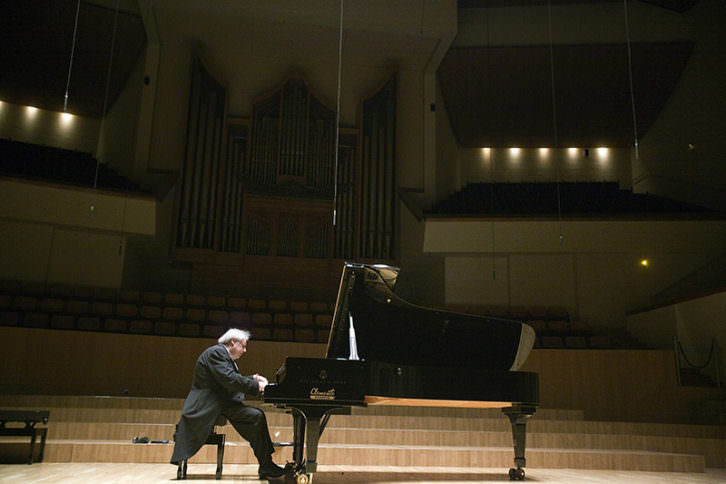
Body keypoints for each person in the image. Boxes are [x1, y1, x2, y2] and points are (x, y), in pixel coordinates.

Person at [170, 328, 286, 479]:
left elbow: (228, 379)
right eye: (243, 346)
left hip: (221, 403)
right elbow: (230, 380)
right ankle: (266, 465)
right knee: (256, 417)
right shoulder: (216, 353)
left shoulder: (221, 355)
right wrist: (257, 386)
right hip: (208, 405)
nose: (244, 350)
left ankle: (266, 464)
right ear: (233, 342)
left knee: (256, 417)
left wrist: (253, 378)